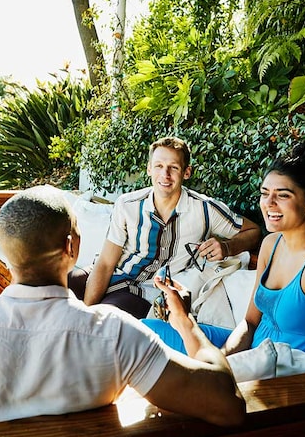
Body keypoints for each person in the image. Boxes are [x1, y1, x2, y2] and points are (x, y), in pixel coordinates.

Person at [0, 185, 246, 427]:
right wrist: (184, 320)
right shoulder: (115, 334)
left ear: (7, 254)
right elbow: (227, 406)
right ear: (71, 247)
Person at [142, 141, 305, 354]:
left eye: (283, 195)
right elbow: (250, 323)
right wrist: (224, 358)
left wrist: (224, 369)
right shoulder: (271, 244)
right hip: (252, 352)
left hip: (283, 371)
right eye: (265, 193)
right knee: (145, 331)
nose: (269, 203)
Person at [82, 136, 261, 318]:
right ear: (149, 169)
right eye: (159, 166)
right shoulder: (128, 205)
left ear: (186, 172)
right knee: (58, 287)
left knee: (107, 316)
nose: (165, 175)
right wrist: (85, 313)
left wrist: (227, 247)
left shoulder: (204, 209)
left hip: (149, 293)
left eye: (173, 167)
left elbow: (254, 231)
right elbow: (105, 263)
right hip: (116, 274)